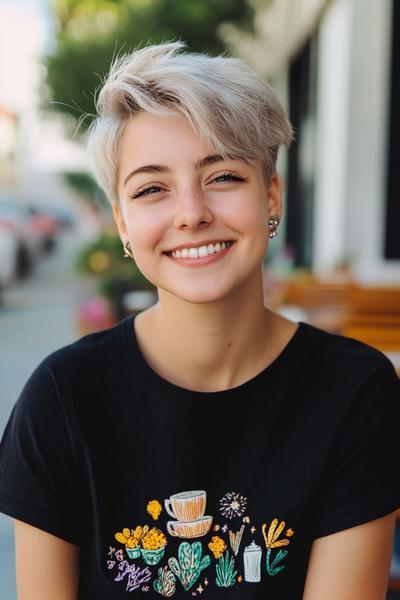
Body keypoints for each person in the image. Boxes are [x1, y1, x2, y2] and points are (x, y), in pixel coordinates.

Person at [0, 41, 399, 600]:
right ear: (122, 223)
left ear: (272, 195)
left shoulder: (355, 392)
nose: (191, 214)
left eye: (223, 177)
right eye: (152, 189)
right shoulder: (62, 400)